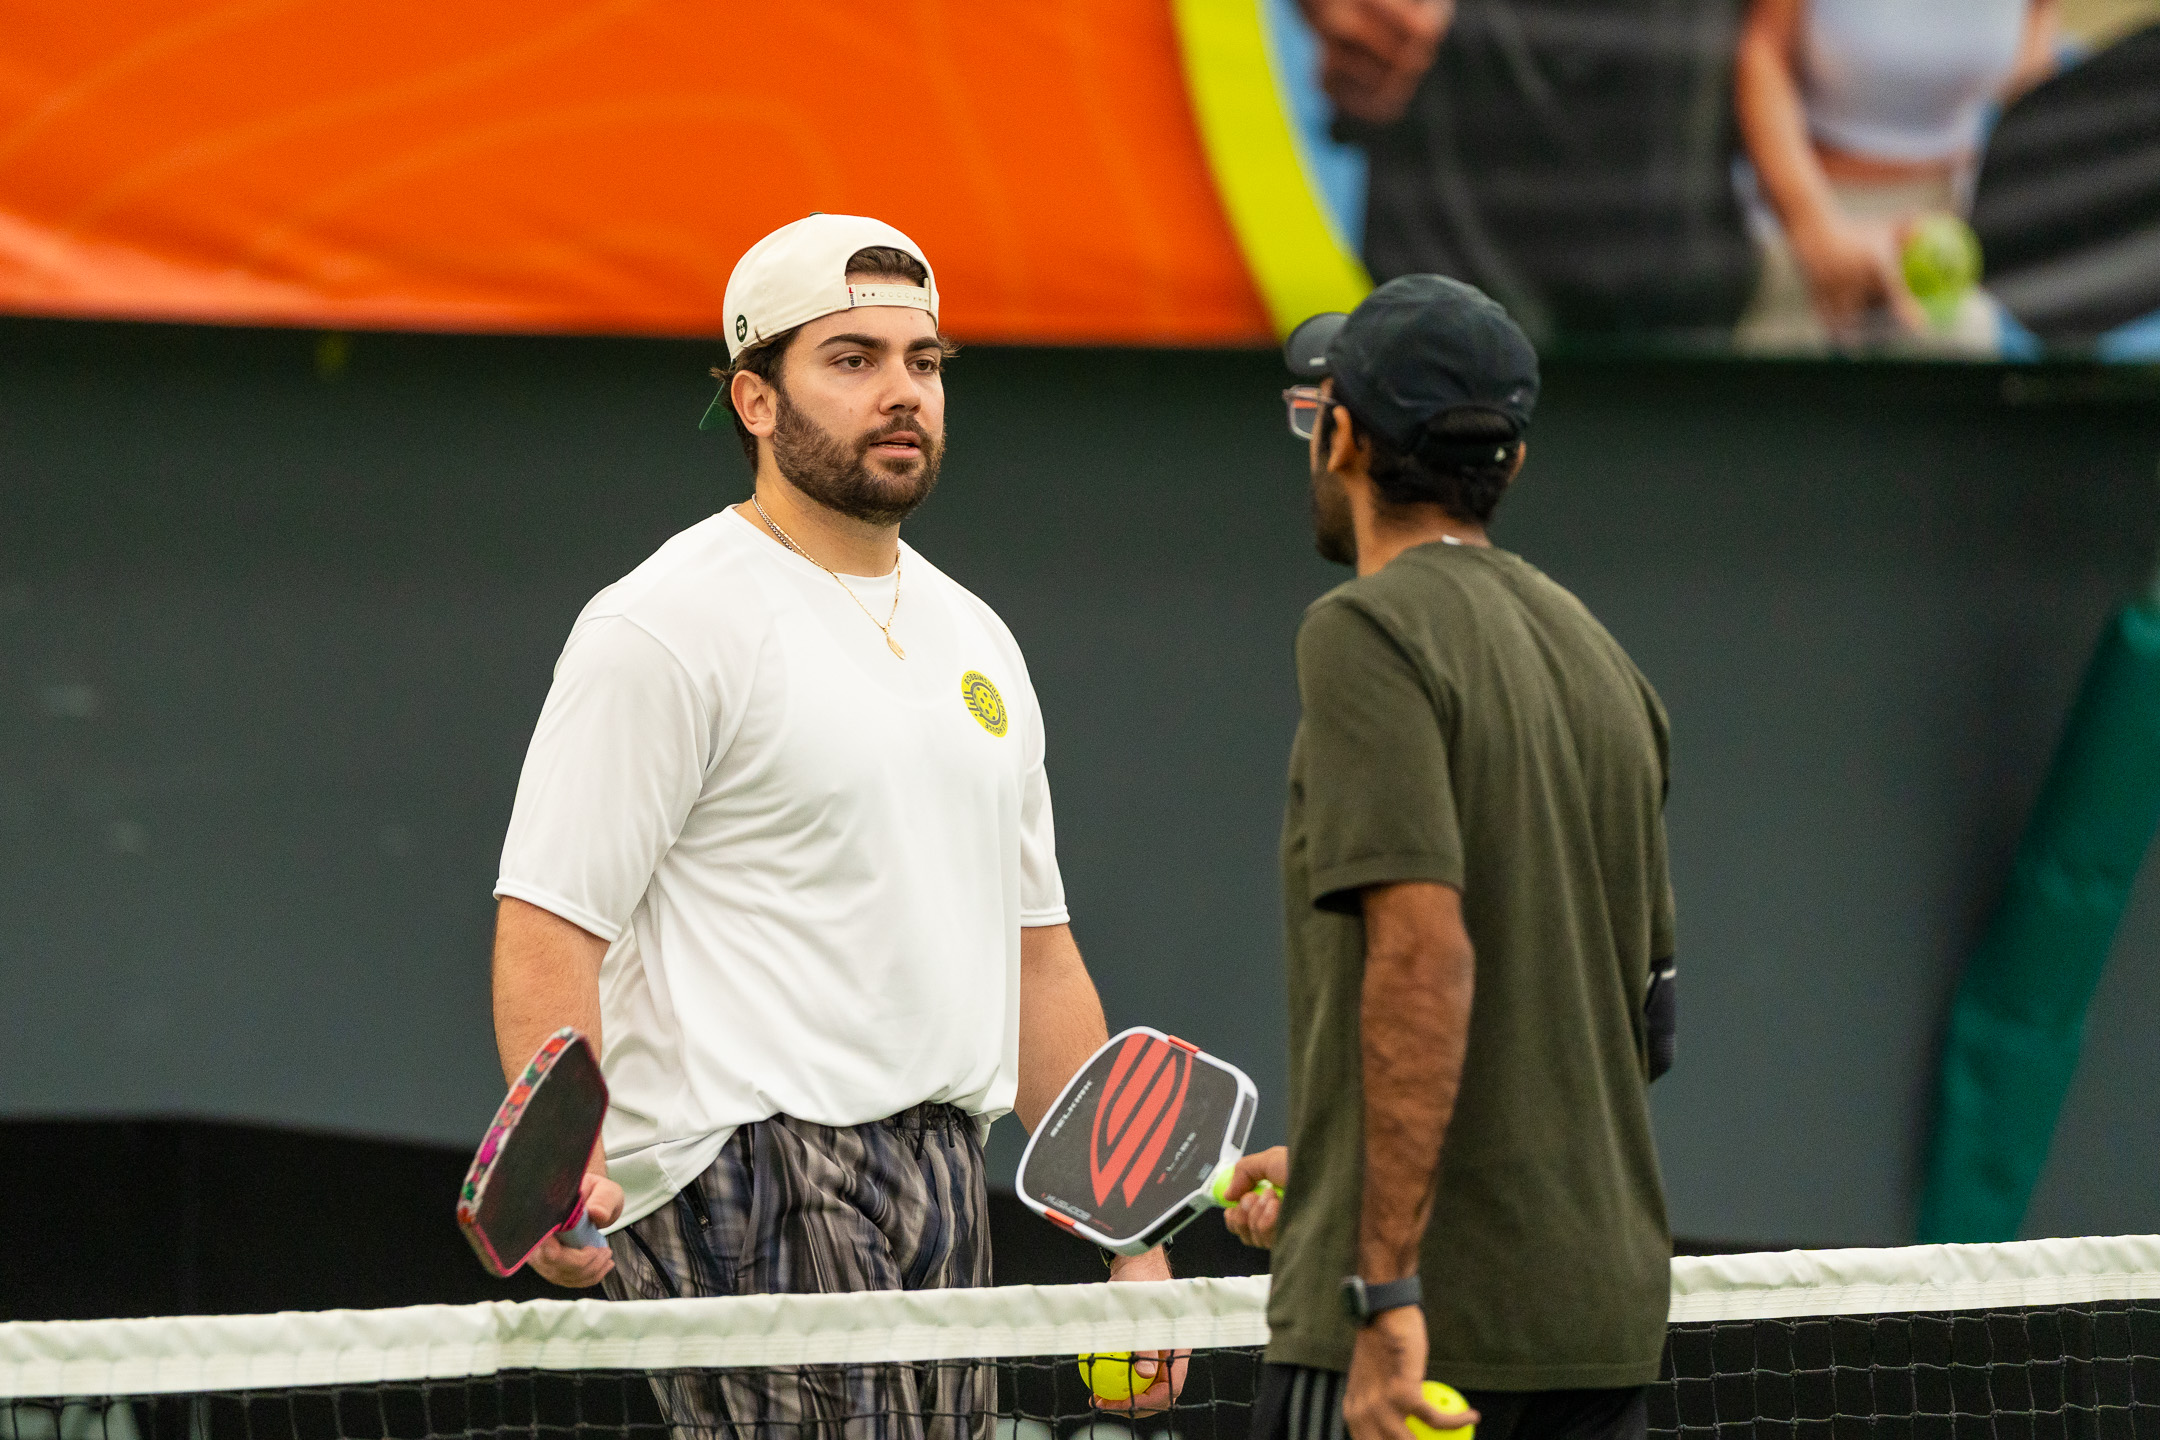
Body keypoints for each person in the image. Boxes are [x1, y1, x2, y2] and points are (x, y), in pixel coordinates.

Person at [488, 213, 1177, 1436]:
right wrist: (560, 1173)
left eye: (924, 361)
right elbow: (552, 923)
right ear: (755, 400)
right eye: (852, 360)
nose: (902, 391)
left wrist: (1135, 1245)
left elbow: (1038, 957)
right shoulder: (664, 623)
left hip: (946, 1172)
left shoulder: (979, 638)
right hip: (742, 1168)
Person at [1223, 275, 1678, 1440]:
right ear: (1510, 463)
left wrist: (1383, 1293)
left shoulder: (1364, 631)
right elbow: (1635, 1031)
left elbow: (1423, 959)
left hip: (1419, 1336)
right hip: (1598, 1331)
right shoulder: (1609, 665)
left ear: (1340, 438)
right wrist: (1341, 1165)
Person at [1733, 0, 2059, 352]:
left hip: (1956, 220)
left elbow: (2031, 87)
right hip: (1802, 220)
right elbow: (1765, 52)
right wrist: (1818, 235)